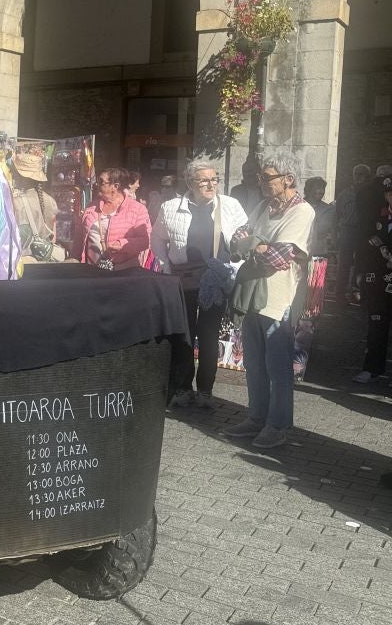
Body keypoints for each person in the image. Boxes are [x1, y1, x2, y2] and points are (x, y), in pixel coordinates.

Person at [223, 149, 315, 449]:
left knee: (277, 366)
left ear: (288, 179)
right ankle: (256, 417)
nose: (261, 181)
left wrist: (256, 244)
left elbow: (278, 257)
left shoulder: (302, 211)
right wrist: (258, 245)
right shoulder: (264, 206)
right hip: (253, 296)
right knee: (253, 362)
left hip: (280, 300)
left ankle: (276, 425)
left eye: (267, 177)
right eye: (261, 176)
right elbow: (236, 237)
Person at [151, 161, 249, 408]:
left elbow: (244, 241)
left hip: (214, 282)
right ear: (190, 183)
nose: (210, 184)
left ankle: (205, 390)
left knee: (208, 336)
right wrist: (165, 266)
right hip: (182, 281)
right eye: (204, 180)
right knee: (184, 336)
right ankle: (183, 388)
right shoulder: (171, 208)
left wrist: (233, 269)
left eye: (214, 179)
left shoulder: (230, 206)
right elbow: (157, 239)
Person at [352, 175, 392, 384]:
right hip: (380, 280)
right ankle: (372, 368)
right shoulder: (379, 219)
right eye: (389, 193)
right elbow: (366, 248)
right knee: (377, 324)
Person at [77, 167, 152, 270]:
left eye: (101, 182)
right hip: (92, 273)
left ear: (115, 186)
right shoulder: (91, 207)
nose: (96, 185)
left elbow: (145, 241)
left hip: (124, 273)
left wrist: (123, 244)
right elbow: (79, 238)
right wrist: (75, 261)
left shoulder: (138, 209)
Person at [9, 152, 60, 261]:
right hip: (45, 262)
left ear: (20, 176)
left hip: (22, 263)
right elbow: (53, 238)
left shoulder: (15, 202)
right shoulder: (51, 201)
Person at [335, 163, 373, 303]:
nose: (360, 178)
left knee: (361, 263)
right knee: (344, 263)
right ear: (353, 175)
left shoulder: (371, 194)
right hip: (347, 230)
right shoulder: (345, 194)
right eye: (357, 174)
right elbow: (336, 216)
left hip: (363, 231)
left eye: (364, 175)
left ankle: (356, 291)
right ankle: (340, 293)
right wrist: (335, 235)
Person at [303, 176, 335, 259]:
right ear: (308, 190)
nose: (321, 191)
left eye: (323, 188)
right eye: (317, 188)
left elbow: (325, 229)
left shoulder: (328, 209)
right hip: (300, 251)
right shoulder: (298, 206)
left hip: (319, 252)